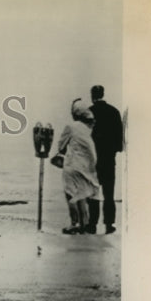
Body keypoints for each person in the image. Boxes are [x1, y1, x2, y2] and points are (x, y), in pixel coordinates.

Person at [56, 99, 101, 234]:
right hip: (88, 166)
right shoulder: (89, 128)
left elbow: (61, 145)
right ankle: (84, 223)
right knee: (81, 194)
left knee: (70, 193)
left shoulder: (71, 126)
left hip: (73, 165)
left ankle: (74, 223)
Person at [89, 85, 124, 234]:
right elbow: (119, 140)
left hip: (93, 159)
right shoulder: (114, 112)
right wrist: (113, 150)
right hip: (109, 159)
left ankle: (92, 223)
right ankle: (109, 223)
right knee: (108, 194)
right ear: (103, 94)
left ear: (92, 96)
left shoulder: (89, 112)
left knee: (93, 193)